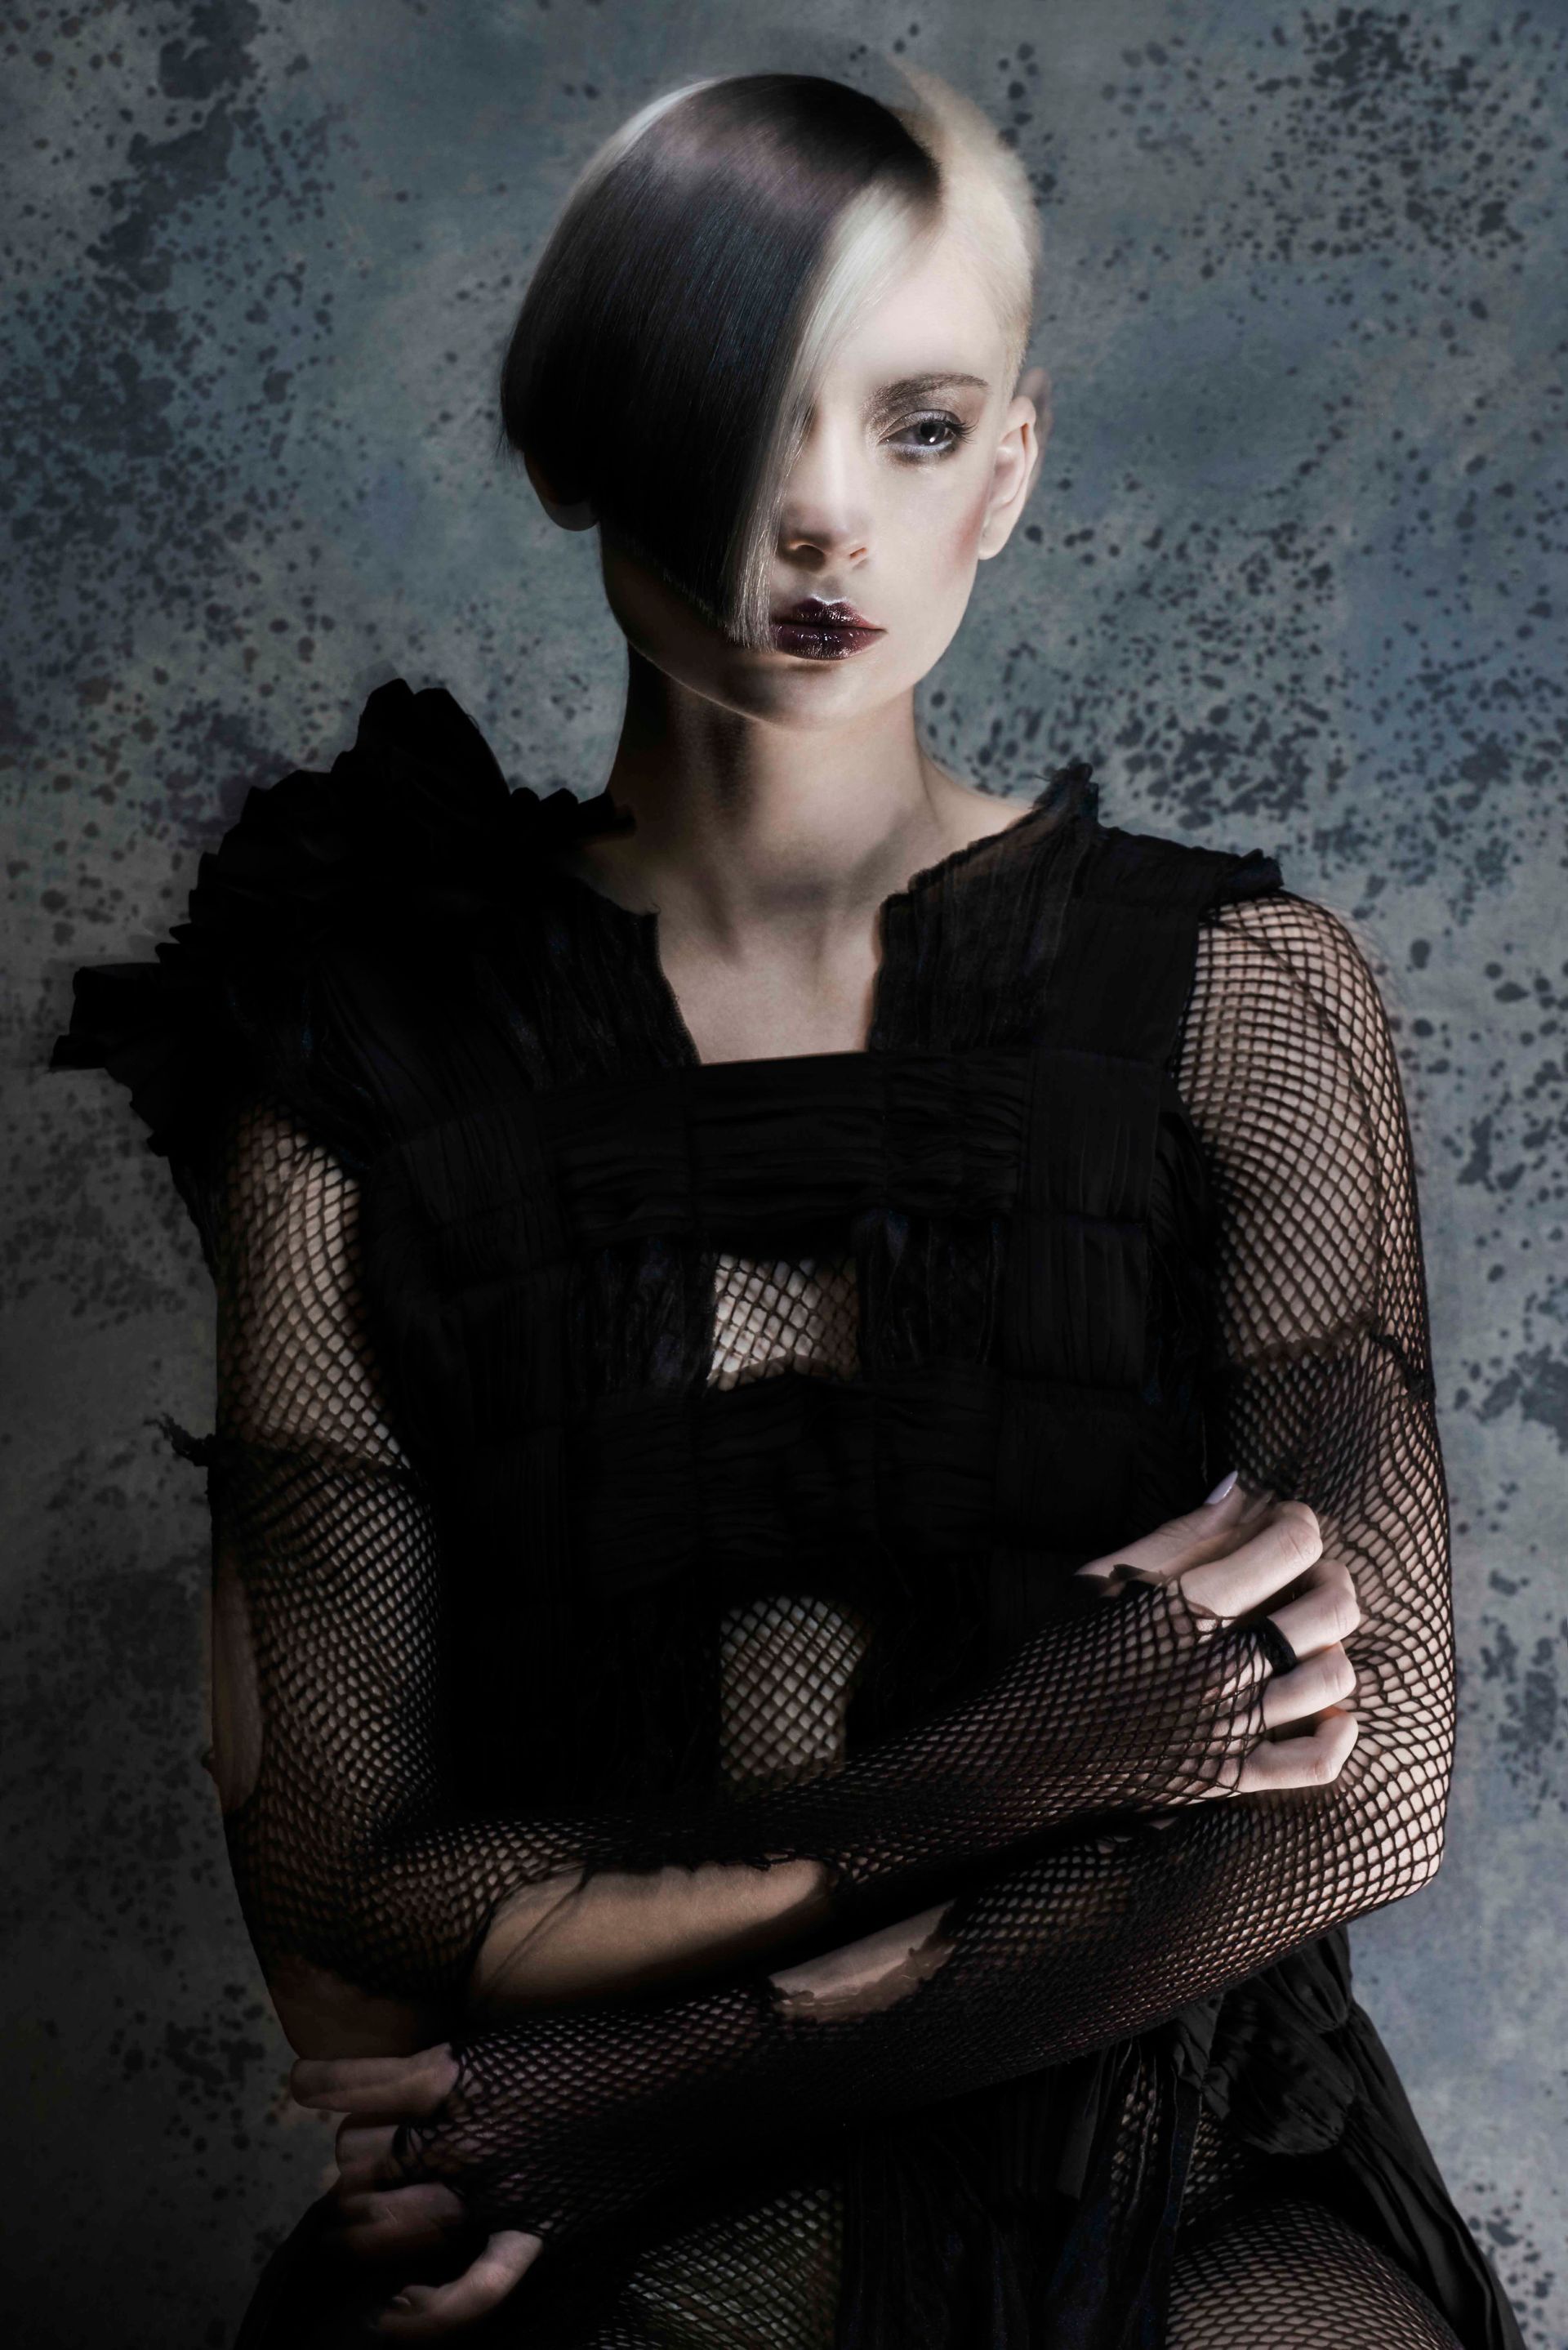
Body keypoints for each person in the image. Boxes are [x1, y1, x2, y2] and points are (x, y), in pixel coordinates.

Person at [51, 60, 1526, 2350]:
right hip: (594, 2231)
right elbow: (351, 1889)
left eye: (915, 428)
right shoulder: (361, 1076)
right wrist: (1015, 1767)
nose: (825, 511)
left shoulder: (1238, 1000)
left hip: (1158, 2183)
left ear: (1009, 470)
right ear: (572, 443)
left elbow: (1371, 1787)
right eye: (742, 411)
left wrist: (675, 2087)